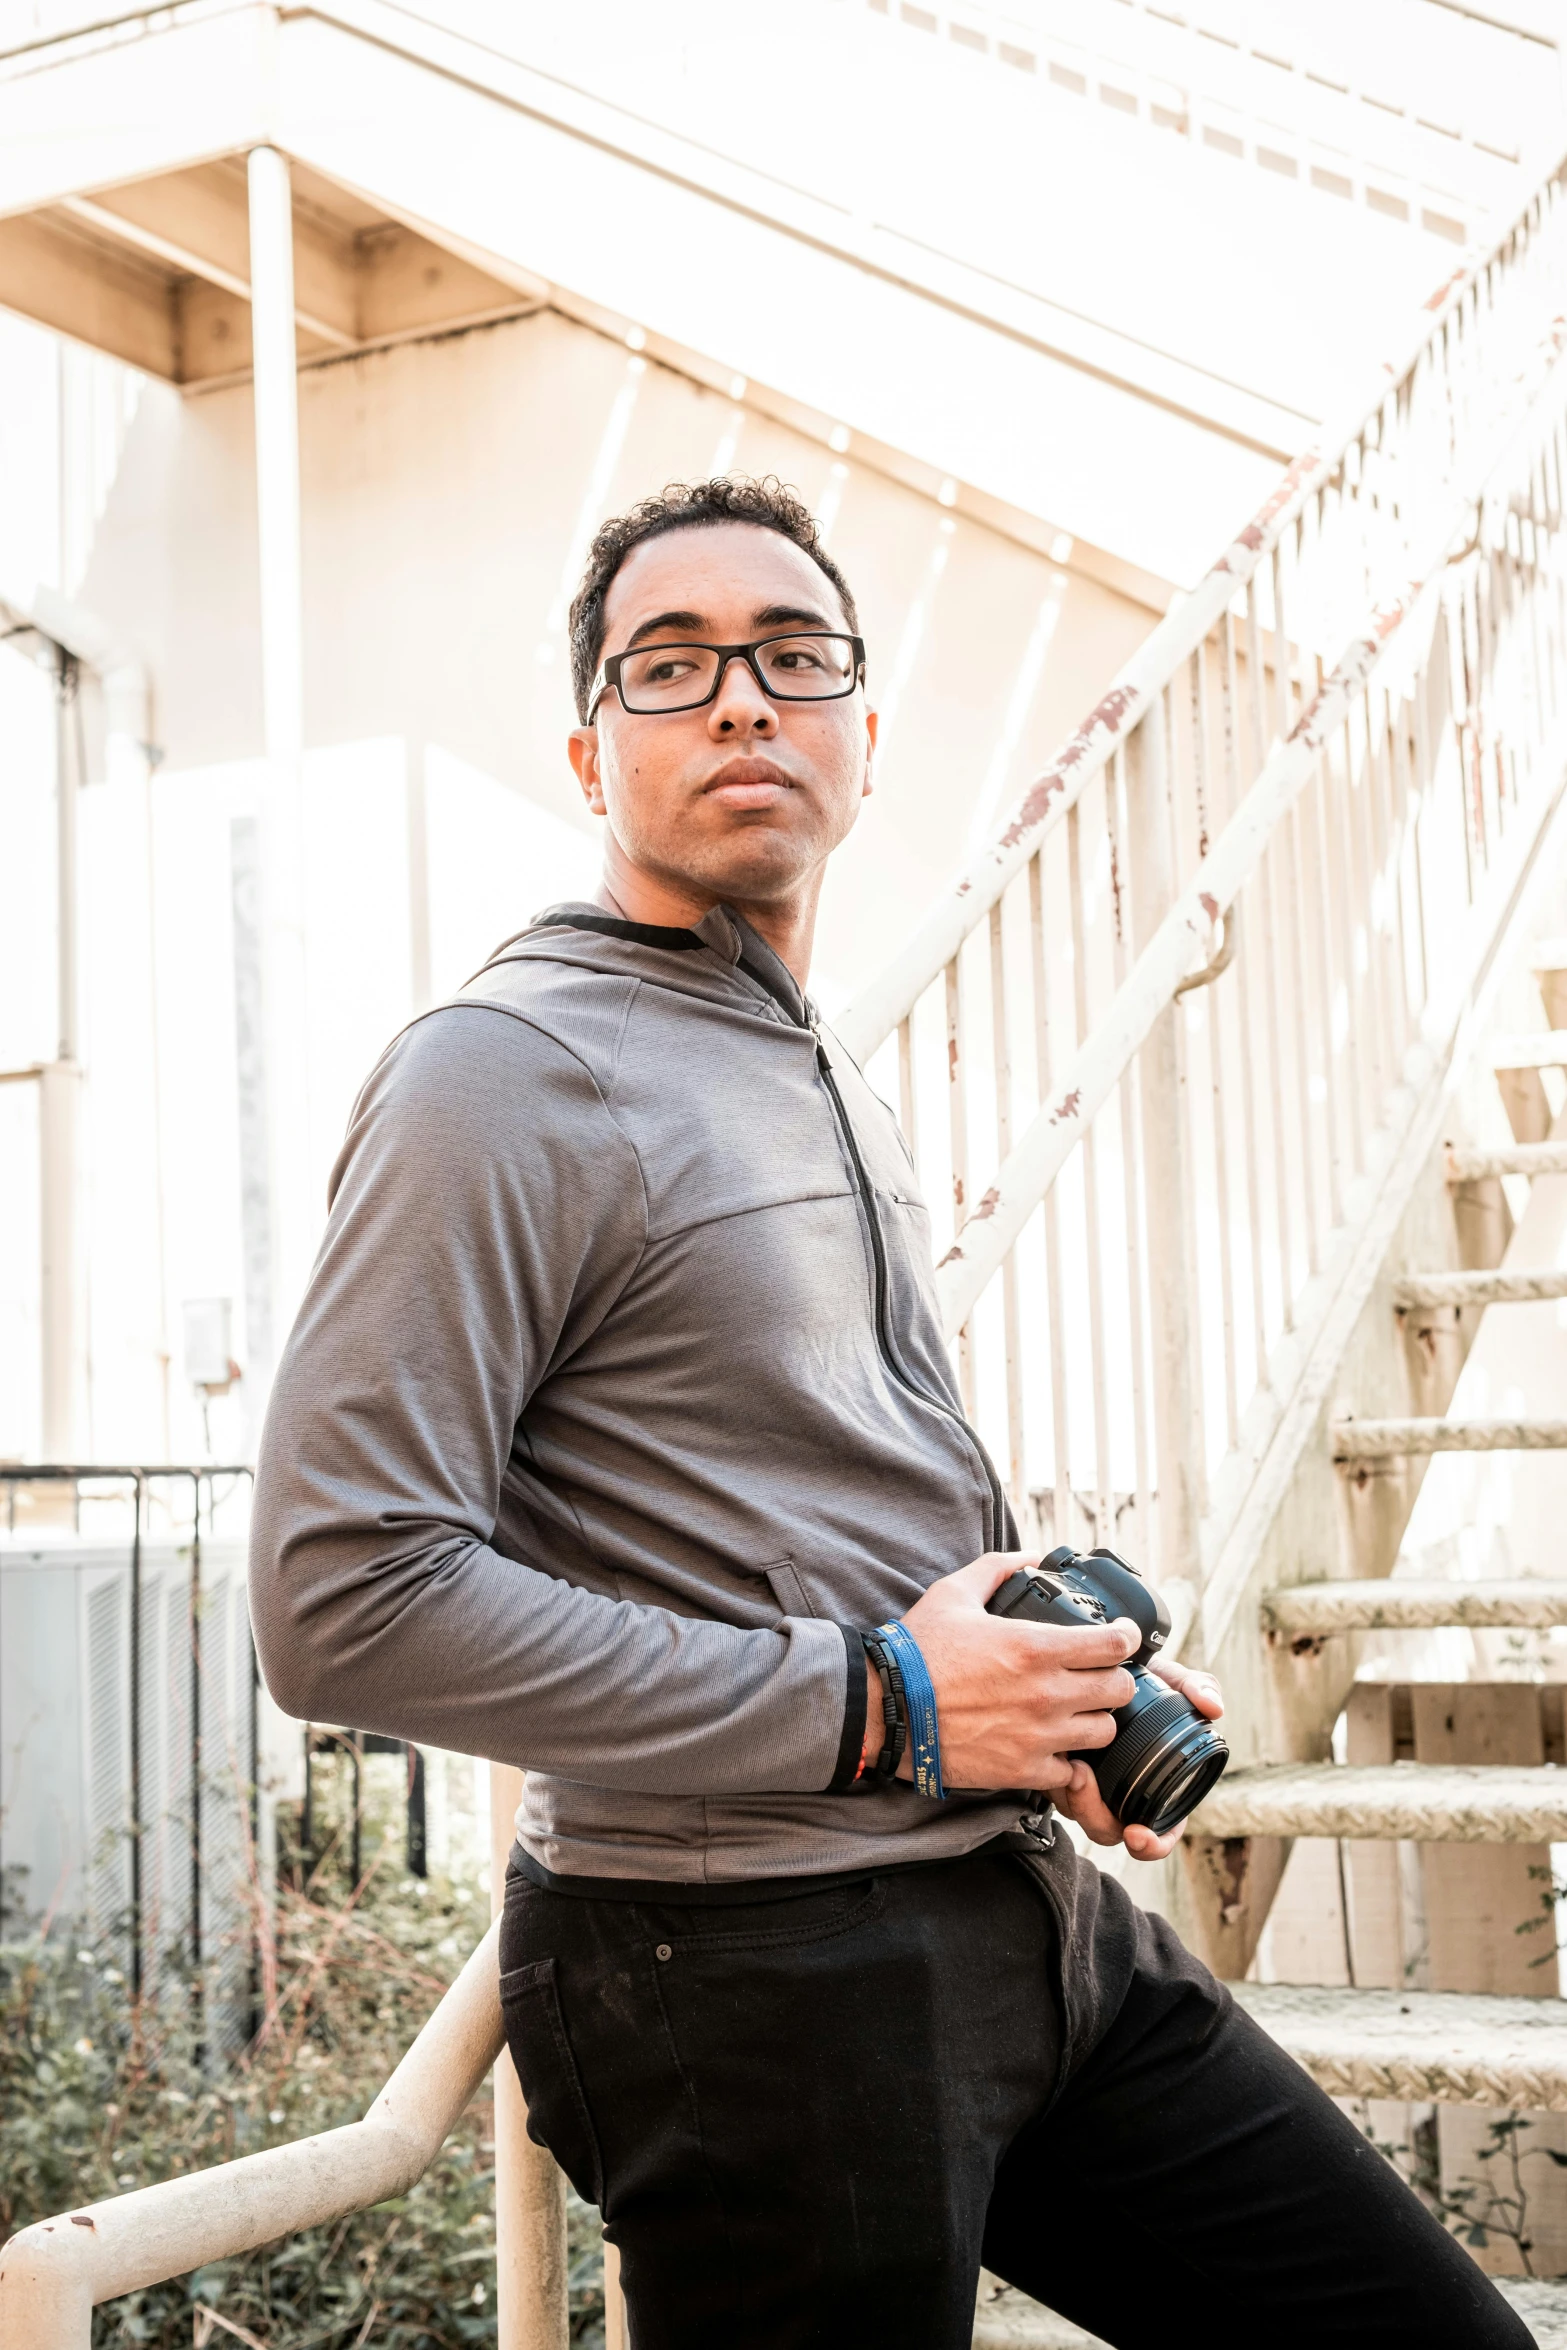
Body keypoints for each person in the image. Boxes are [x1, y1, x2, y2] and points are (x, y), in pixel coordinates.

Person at [251, 477, 1529, 2348]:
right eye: (670, 667)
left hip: (1025, 1916)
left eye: (793, 655)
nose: (743, 701)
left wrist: (1039, 1689)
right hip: (750, 1975)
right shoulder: (501, 1072)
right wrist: (878, 1698)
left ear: (861, 723)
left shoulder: (799, 1044)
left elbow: (787, 1480)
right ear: (589, 752)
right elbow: (338, 1591)